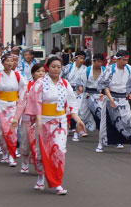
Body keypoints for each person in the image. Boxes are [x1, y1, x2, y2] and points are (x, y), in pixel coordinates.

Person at [22, 56, 86, 194]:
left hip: (59, 121)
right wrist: (38, 121)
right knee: (41, 151)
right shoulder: (39, 83)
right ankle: (40, 177)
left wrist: (78, 119)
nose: (56, 69)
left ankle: (57, 183)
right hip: (43, 120)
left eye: (58, 67)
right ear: (47, 68)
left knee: (59, 151)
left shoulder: (64, 83)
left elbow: (71, 102)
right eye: (53, 67)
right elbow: (35, 102)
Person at [96, 49, 131, 154]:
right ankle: (101, 143)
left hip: (123, 98)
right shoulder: (110, 70)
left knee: (127, 120)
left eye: (127, 60)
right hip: (111, 96)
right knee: (105, 122)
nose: (125, 62)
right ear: (118, 59)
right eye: (123, 60)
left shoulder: (129, 69)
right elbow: (104, 86)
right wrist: (110, 99)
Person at [12, 62, 45, 174]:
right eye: (38, 71)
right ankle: (25, 162)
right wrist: (16, 118)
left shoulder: (48, 86)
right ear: (33, 74)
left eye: (43, 71)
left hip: (42, 117)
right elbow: (21, 103)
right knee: (26, 141)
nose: (41, 74)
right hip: (27, 116)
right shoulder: (27, 87)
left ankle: (39, 166)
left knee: (40, 143)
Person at [78, 53, 106, 145]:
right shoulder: (87, 70)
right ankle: (80, 130)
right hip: (88, 94)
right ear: (94, 61)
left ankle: (105, 135)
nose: (99, 63)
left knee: (102, 113)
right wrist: (81, 87)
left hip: (99, 95)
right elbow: (81, 82)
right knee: (83, 113)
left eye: (101, 62)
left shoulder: (104, 71)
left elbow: (107, 83)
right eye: (98, 61)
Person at [61, 50, 87, 141]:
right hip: (68, 90)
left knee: (78, 111)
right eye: (80, 58)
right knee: (67, 111)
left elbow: (85, 81)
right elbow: (61, 76)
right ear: (75, 58)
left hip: (79, 92)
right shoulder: (69, 67)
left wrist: (82, 87)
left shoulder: (85, 68)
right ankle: (66, 128)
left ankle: (78, 131)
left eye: (83, 58)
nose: (81, 60)